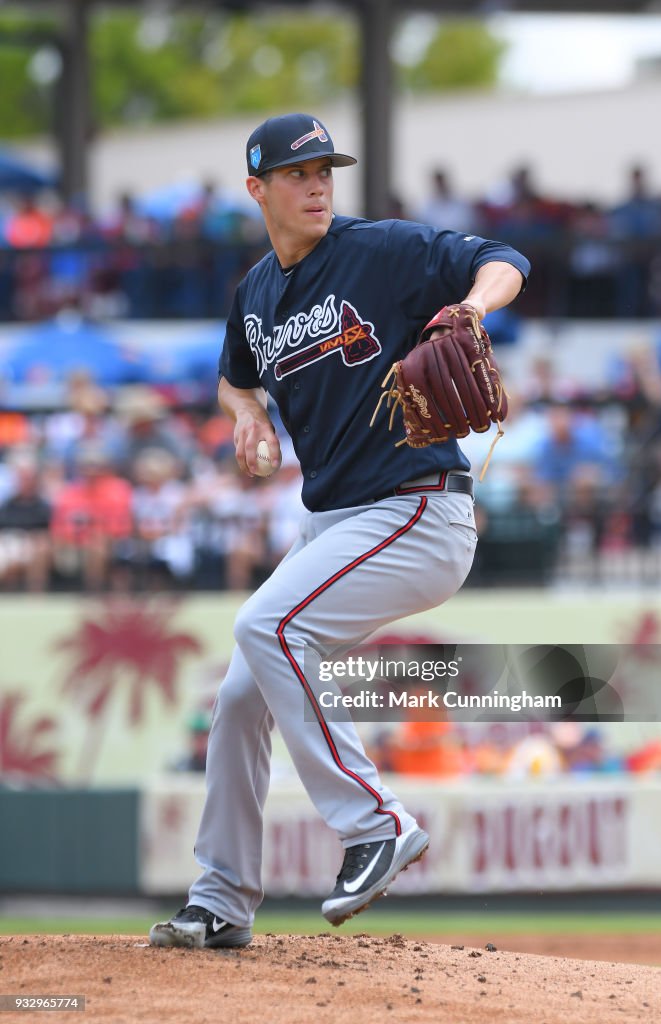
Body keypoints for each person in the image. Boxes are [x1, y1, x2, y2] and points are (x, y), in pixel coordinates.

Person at [149, 112, 529, 951]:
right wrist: (246, 415)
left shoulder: (379, 250)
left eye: (325, 169)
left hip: (417, 509)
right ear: (258, 190)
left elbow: (505, 261)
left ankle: (374, 824)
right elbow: (233, 379)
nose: (318, 184)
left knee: (267, 625)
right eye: (298, 173)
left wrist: (470, 306)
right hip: (333, 523)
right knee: (240, 699)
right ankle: (219, 902)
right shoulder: (255, 295)